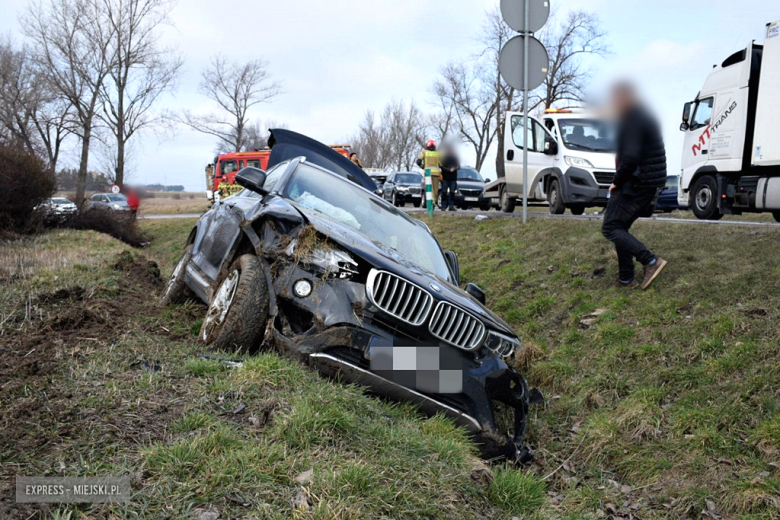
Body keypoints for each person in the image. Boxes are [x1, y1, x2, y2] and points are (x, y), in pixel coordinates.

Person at [602, 82, 668, 290]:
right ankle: (625, 278)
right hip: (646, 181)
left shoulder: (634, 119)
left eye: (616, 99)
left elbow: (630, 158)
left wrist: (616, 182)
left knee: (610, 227)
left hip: (637, 182)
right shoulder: (641, 116)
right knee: (619, 227)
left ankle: (650, 261)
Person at [416, 140, 441, 213]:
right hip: (436, 174)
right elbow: (442, 163)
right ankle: (433, 203)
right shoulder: (438, 153)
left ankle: (429, 204)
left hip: (427, 174)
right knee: (435, 189)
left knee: (429, 189)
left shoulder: (424, 153)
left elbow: (418, 162)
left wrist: (423, 166)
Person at [439, 143, 460, 211]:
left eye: (451, 150)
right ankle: (443, 205)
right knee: (444, 192)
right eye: (448, 150)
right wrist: (448, 170)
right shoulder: (444, 158)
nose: (450, 151)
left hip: (453, 179)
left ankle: (451, 206)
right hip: (445, 178)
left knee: (452, 192)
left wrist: (454, 168)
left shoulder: (455, 158)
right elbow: (441, 167)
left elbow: (459, 166)